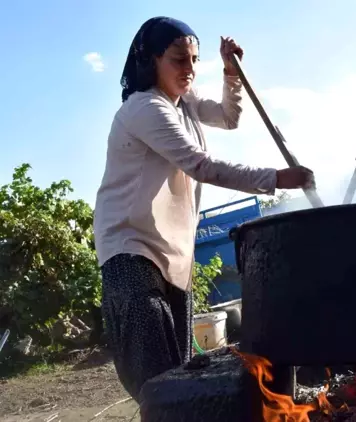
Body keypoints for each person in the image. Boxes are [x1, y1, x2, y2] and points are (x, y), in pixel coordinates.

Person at [93, 17, 314, 401]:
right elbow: (201, 166)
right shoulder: (144, 109)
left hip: (173, 252)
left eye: (194, 60)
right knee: (157, 380)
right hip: (131, 249)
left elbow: (230, 117)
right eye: (179, 59)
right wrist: (277, 177)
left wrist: (231, 73)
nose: (189, 70)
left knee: (177, 371)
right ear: (151, 60)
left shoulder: (186, 104)